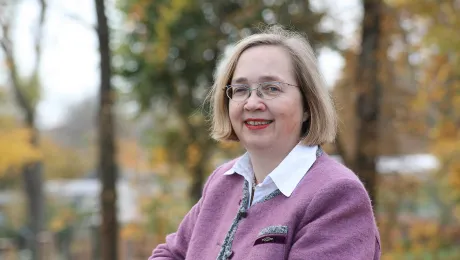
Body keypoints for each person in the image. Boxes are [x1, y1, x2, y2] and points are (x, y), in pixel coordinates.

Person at [149, 25, 381, 260]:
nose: (251, 103)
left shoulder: (337, 195)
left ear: (308, 106)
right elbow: (170, 254)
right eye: (240, 89)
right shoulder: (222, 182)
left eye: (271, 88)